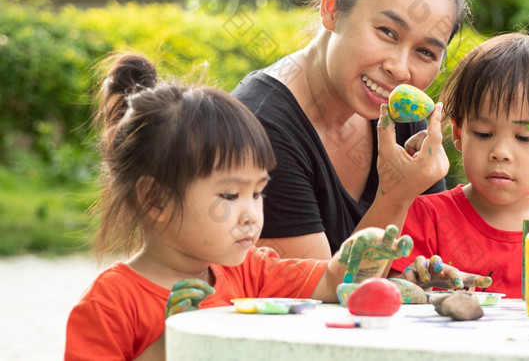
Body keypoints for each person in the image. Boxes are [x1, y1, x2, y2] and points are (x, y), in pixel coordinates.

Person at [65, 53, 489, 360]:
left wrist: (360, 255)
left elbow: (328, 281)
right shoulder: (110, 305)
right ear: (154, 199)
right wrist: (170, 344)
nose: (252, 213)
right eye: (230, 196)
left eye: (258, 192)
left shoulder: (251, 271)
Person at [232, 0, 469, 260]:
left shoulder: (399, 113)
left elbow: (430, 261)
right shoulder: (260, 128)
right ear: (332, 8)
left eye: (426, 53)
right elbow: (317, 296)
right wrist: (395, 195)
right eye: (388, 32)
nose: (400, 69)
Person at [391, 26, 529, 298]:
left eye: (524, 137)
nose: (501, 152)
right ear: (459, 134)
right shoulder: (425, 217)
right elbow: (388, 294)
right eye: (483, 133)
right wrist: (415, 285)